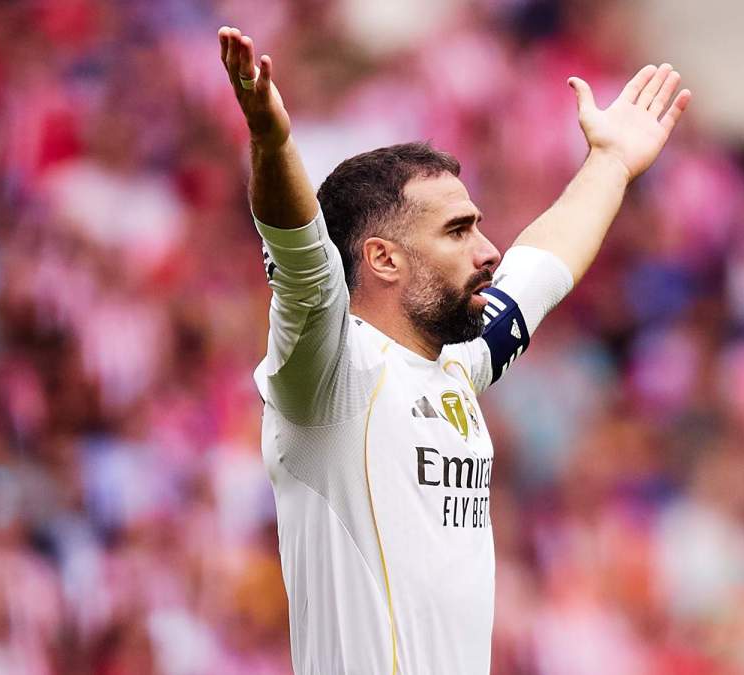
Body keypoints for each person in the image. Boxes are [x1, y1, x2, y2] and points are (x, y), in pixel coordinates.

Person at [217, 24, 690, 674]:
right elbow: (301, 257)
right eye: (459, 230)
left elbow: (540, 269)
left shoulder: (453, 367)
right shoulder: (330, 377)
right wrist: (273, 142)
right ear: (383, 258)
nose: (488, 249)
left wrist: (609, 162)